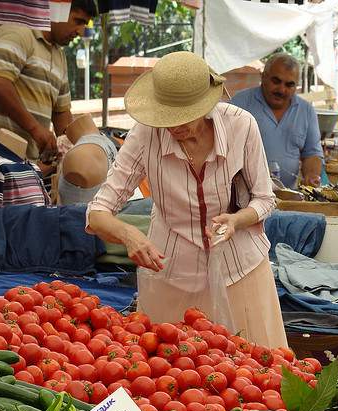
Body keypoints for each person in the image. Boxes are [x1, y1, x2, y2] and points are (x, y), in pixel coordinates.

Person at [86, 51, 288, 348]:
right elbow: (97, 212)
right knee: (174, 377)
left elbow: (264, 199)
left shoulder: (241, 126)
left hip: (240, 269)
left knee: (253, 372)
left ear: (206, 106)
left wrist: (236, 220)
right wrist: (130, 235)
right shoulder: (145, 135)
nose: (173, 127)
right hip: (170, 273)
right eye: (165, 117)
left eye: (182, 118)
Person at [0, 0, 97, 187]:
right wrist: (36, 130)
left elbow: (62, 114)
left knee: (16, 216)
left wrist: (72, 148)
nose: (81, 31)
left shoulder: (59, 56)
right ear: (58, 10)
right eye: (78, 21)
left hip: (22, 158)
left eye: (85, 24)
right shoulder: (17, 33)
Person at [230, 53, 323, 189]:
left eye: (289, 85)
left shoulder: (306, 111)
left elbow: (312, 153)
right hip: (244, 197)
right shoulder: (240, 104)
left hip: (288, 197)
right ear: (263, 76)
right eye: (276, 81)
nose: (281, 90)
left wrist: (311, 176)